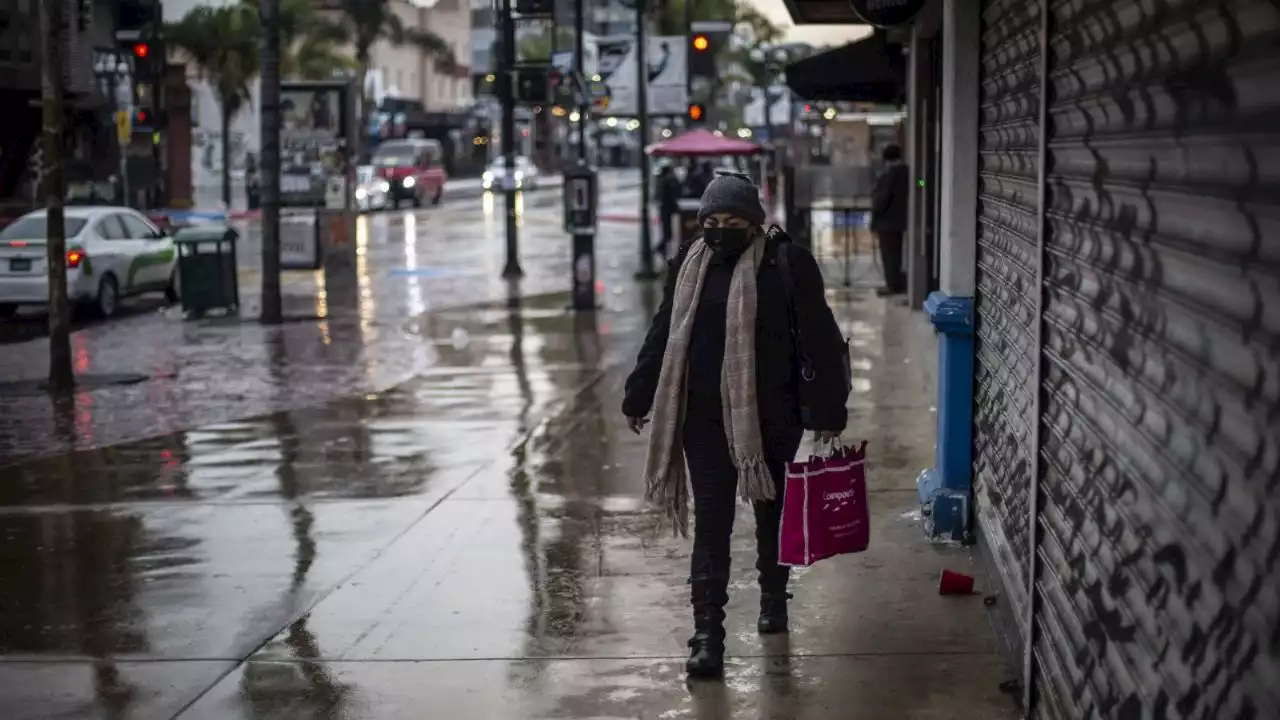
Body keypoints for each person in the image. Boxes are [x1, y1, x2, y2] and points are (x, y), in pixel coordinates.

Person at [622, 172, 850, 678]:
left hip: (772, 418)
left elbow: (820, 337)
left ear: (753, 223)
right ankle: (708, 635)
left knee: (771, 516)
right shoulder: (688, 263)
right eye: (711, 221)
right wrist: (638, 395)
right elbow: (665, 329)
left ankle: (773, 596)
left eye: (732, 221)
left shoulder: (786, 263)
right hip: (700, 419)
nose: (720, 231)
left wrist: (828, 411)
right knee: (712, 525)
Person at [871, 144, 910, 296]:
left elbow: (880, 200)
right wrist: (922, 184)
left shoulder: (888, 176)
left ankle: (892, 285)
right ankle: (897, 283)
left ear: (886, 159)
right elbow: (921, 183)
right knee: (897, 254)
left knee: (888, 256)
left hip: (886, 223)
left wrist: (874, 218)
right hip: (901, 221)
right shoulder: (909, 173)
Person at [657, 164, 682, 259]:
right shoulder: (668, 181)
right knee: (667, 231)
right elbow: (676, 191)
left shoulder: (662, 180)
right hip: (666, 208)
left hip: (665, 208)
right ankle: (661, 247)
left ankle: (662, 247)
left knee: (667, 231)